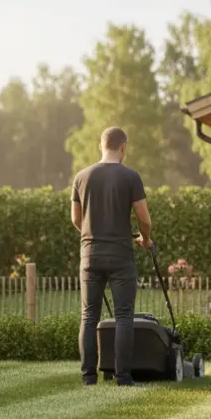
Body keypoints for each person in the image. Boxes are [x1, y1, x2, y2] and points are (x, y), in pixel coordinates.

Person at [71, 127, 153, 386]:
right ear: (123, 148)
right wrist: (145, 239)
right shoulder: (130, 177)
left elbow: (76, 219)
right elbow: (144, 218)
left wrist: (92, 236)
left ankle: (88, 377)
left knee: (89, 316)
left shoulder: (81, 177)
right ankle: (123, 376)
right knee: (124, 316)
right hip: (120, 256)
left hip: (90, 254)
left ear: (101, 146)